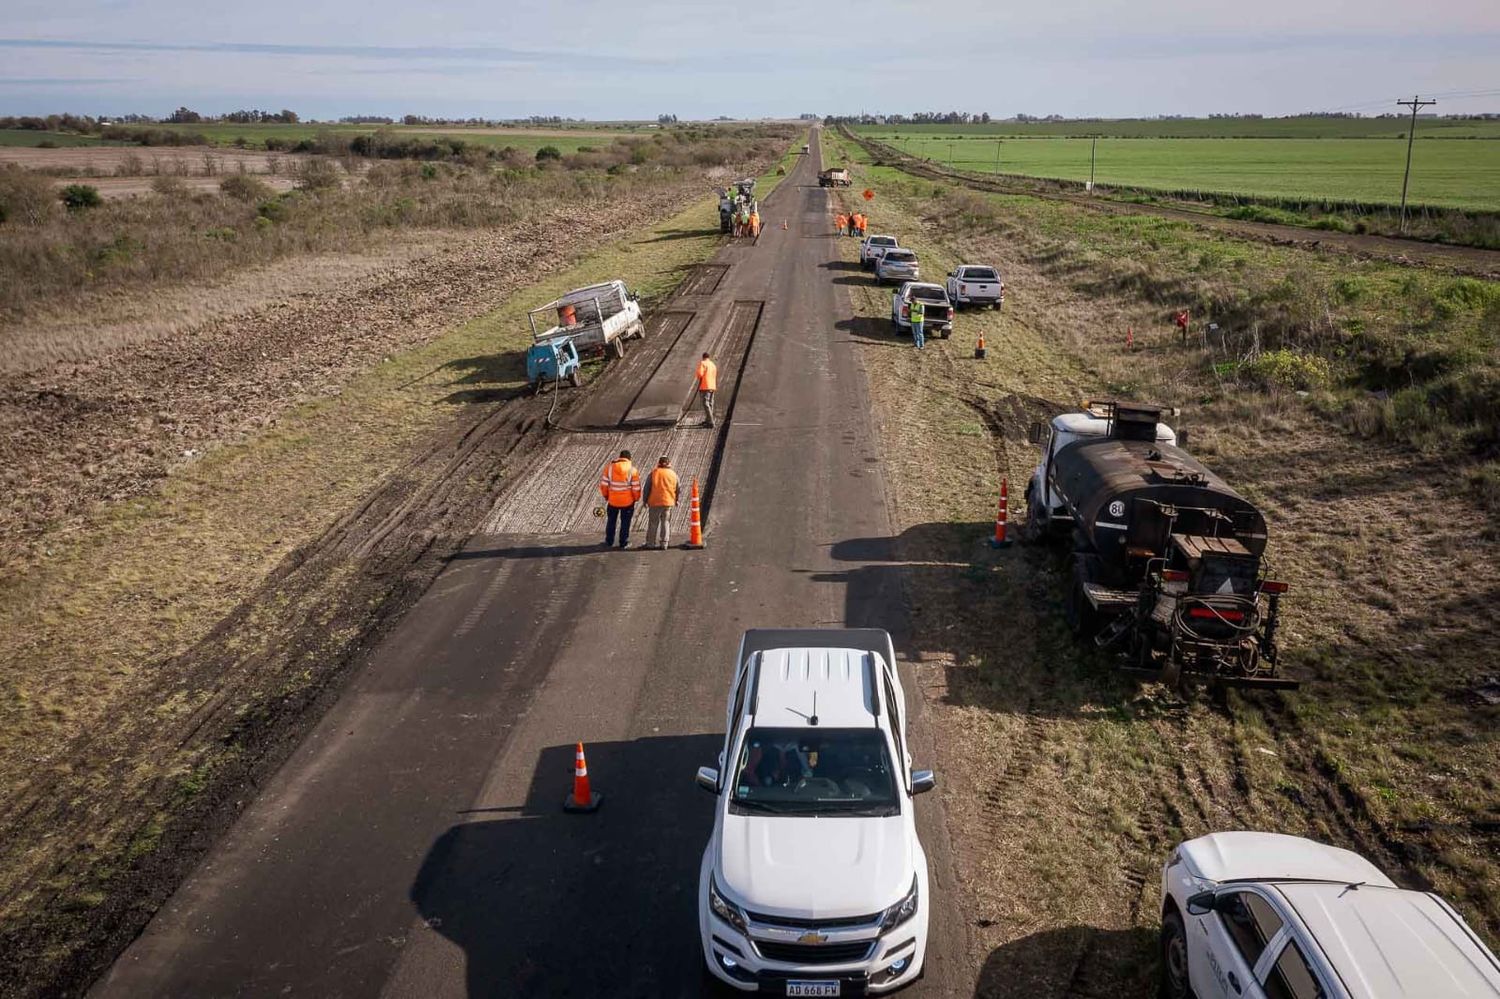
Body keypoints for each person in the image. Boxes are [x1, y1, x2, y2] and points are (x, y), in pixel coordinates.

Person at [597, 448, 641, 548]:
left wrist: (606, 495)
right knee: (625, 522)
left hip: (613, 501)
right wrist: (636, 498)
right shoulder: (632, 470)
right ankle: (623, 542)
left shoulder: (610, 468)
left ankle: (609, 541)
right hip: (627, 502)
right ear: (629, 459)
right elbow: (636, 487)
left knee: (611, 521)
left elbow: (604, 484)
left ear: (620, 457)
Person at [641, 455, 679, 549]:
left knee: (653, 523)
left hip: (654, 502)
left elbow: (647, 488)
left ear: (659, 463)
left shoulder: (654, 473)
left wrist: (645, 501)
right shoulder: (673, 474)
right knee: (665, 522)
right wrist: (676, 500)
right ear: (669, 464)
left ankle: (650, 543)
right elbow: (678, 488)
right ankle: (664, 543)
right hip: (668, 502)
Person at [695, 351, 718, 427]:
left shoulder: (703, 363)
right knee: (710, 403)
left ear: (703, 357)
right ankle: (708, 420)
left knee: (706, 404)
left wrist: (699, 376)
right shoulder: (713, 364)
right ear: (709, 357)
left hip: (705, 386)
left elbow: (700, 374)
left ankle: (711, 422)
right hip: (712, 386)